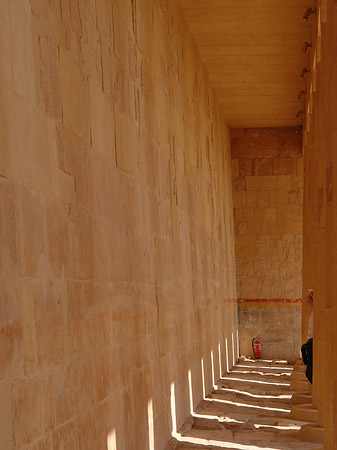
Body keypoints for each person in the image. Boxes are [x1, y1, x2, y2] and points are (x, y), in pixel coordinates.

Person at [301, 289, 313, 383]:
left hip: (313, 344)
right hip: (311, 344)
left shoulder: (316, 313)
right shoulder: (313, 313)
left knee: (310, 372)